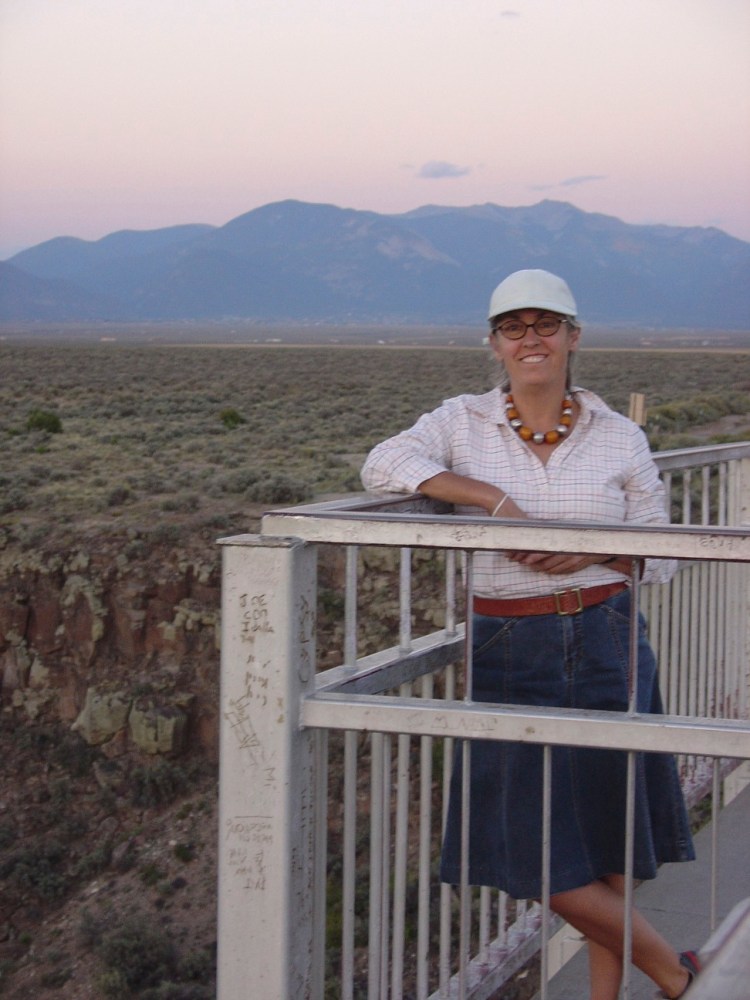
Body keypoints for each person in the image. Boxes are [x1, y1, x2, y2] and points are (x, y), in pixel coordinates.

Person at [361, 269, 700, 1000]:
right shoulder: (460, 423)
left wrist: (593, 549)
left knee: (609, 845)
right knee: (525, 850)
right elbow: (384, 463)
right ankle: (673, 971)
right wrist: (492, 499)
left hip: (609, 634)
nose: (531, 338)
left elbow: (663, 553)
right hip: (509, 646)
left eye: (546, 324)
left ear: (574, 337)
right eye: (514, 327)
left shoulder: (620, 435)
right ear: (493, 344)